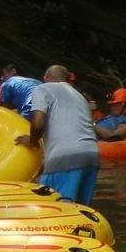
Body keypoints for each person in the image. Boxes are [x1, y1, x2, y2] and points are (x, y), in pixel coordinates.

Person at [20, 64, 100, 203]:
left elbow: (38, 123)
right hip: (91, 155)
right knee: (81, 212)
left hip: (65, 157)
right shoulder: (79, 96)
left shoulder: (42, 88)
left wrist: (33, 141)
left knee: (55, 210)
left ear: (46, 77)